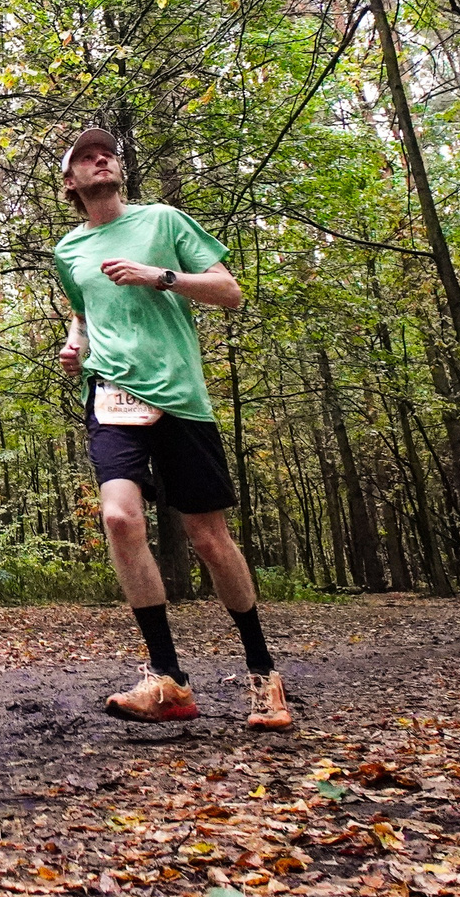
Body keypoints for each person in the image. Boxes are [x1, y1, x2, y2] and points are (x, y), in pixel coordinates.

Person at [52, 127, 294, 730]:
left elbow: (229, 291)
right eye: (85, 156)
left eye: (105, 152)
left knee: (209, 539)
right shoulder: (68, 250)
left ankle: (265, 676)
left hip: (181, 395)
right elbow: (83, 309)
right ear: (71, 182)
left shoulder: (163, 220)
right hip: (111, 394)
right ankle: (168, 680)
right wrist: (75, 341)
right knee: (118, 517)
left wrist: (158, 275)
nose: (100, 158)